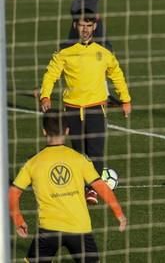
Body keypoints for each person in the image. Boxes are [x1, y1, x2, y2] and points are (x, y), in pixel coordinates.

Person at [39, 9, 132, 203]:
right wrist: (45, 96)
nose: (85, 30)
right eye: (82, 25)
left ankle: (92, 190)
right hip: (72, 110)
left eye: (89, 26)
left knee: (95, 152)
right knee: (77, 152)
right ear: (75, 26)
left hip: (96, 109)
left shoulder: (104, 52)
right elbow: (51, 74)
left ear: (95, 27)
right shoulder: (64, 51)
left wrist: (126, 100)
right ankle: (76, 185)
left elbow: (117, 74)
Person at [9, 110, 127, 262]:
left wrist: (19, 220)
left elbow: (13, 193)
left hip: (49, 230)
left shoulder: (32, 163)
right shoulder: (79, 159)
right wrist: (119, 213)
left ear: (44, 131)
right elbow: (100, 186)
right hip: (80, 228)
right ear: (67, 130)